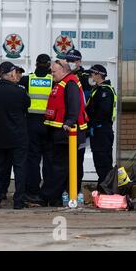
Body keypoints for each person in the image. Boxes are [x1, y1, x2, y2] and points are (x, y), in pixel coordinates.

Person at [39, 60, 89, 206]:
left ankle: (46, 196)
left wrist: (69, 122)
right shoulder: (63, 82)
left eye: (54, 71)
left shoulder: (70, 84)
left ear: (64, 71)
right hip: (59, 132)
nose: (52, 74)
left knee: (59, 167)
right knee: (60, 166)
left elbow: (75, 105)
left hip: (68, 133)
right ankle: (55, 198)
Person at [0, 61, 30, 209]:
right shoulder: (20, 91)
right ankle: (18, 201)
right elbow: (26, 105)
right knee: (20, 168)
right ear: (11, 74)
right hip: (18, 136)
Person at [18, 54, 53, 202]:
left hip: (31, 123)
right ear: (49, 65)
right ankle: (49, 191)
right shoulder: (54, 80)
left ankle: (32, 191)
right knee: (49, 159)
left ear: (36, 64)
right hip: (49, 124)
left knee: (33, 159)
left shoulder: (28, 79)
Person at [62, 49, 90, 193]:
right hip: (64, 125)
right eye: (68, 60)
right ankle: (65, 190)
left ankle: (75, 190)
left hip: (79, 126)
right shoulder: (63, 75)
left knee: (77, 161)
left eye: (73, 60)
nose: (70, 63)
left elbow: (86, 104)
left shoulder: (85, 78)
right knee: (64, 160)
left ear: (79, 62)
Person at [85, 64, 117, 188]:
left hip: (102, 130)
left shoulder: (105, 91)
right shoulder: (98, 89)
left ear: (98, 75)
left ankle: (105, 189)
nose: (90, 77)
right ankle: (103, 187)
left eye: (92, 74)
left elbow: (103, 111)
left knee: (103, 162)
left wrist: (93, 124)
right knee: (100, 161)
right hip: (99, 130)